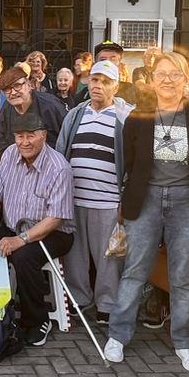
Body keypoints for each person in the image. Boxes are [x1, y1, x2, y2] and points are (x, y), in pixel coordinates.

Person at [102, 52, 189, 371]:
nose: (167, 80)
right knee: (135, 270)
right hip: (146, 198)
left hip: (186, 202)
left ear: (187, 80)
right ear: (152, 80)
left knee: (183, 275)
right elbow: (127, 161)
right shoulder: (139, 115)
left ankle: (185, 342)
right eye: (161, 74)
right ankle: (118, 335)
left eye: (175, 74)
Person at [0, 110, 75, 348]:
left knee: (24, 257)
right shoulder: (10, 154)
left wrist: (20, 240)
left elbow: (56, 218)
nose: (24, 142)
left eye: (31, 136)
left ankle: (37, 319)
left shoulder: (58, 167)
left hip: (54, 232)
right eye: (20, 136)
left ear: (43, 136)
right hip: (13, 226)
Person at [55, 60, 127, 319]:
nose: (98, 85)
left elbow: (131, 162)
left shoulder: (125, 117)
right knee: (75, 255)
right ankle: (78, 299)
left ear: (115, 87)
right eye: (95, 79)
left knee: (108, 257)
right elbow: (62, 151)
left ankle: (107, 305)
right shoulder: (75, 114)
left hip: (108, 201)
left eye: (105, 81)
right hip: (74, 199)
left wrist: (125, 200)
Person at [0, 65, 67, 151]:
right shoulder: (6, 108)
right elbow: (0, 137)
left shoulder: (51, 105)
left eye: (17, 86)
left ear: (29, 85)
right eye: (7, 89)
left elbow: (68, 134)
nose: (12, 92)